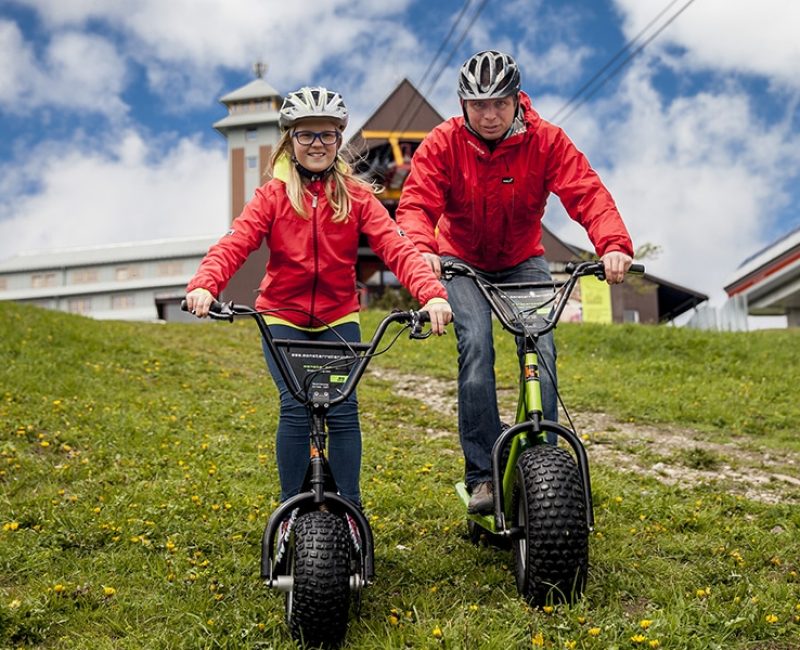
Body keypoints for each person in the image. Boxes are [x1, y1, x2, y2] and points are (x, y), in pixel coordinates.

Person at [185, 86, 452, 509]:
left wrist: (431, 294)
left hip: (338, 317)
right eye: (306, 135)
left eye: (327, 135)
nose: (317, 144)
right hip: (281, 317)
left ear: (339, 139)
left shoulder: (358, 197)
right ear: (290, 140)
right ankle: (291, 509)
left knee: (343, 412)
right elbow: (234, 242)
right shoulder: (271, 196)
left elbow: (398, 246)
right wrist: (205, 284)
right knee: (295, 407)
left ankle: (352, 509)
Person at [395, 50, 634, 515]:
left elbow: (586, 191)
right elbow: (417, 205)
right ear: (463, 103)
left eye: (499, 103)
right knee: (478, 347)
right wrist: (423, 248)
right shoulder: (443, 143)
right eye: (478, 104)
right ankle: (483, 472)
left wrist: (613, 243)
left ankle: (539, 456)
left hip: (523, 261)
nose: (489, 115)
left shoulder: (545, 140)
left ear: (517, 100)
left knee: (539, 346)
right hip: (459, 262)